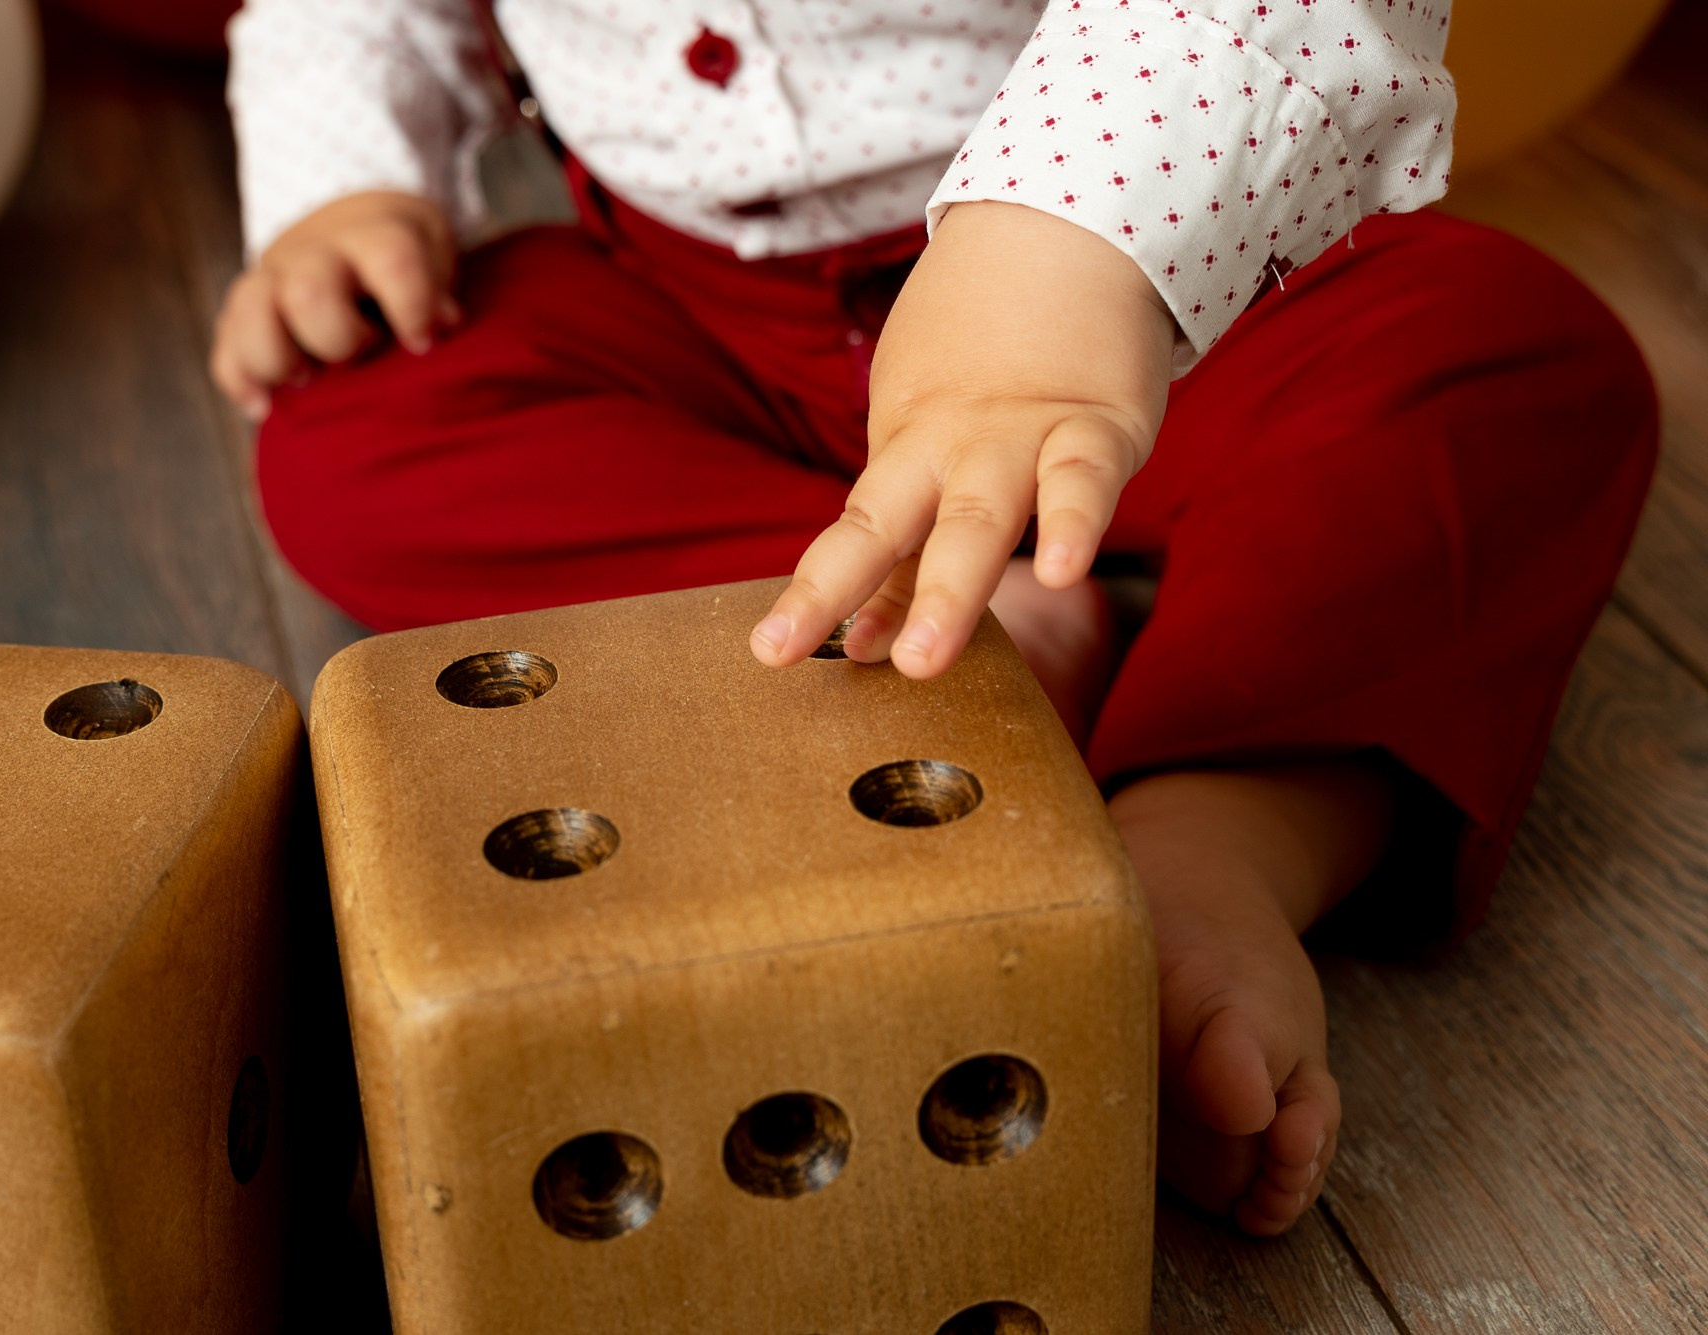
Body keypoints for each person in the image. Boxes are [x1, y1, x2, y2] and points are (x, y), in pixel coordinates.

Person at [210, 0, 1657, 1235]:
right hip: (704, 317)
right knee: (352, 426)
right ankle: (954, 609)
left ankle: (1224, 824)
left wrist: (1071, 245)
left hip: (1157, 281)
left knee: (1497, 359)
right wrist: (348, 180)